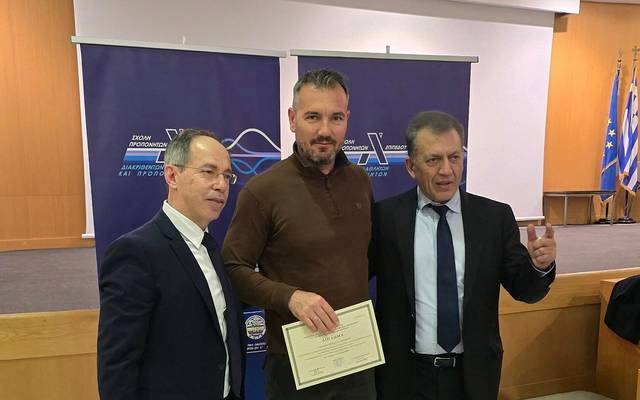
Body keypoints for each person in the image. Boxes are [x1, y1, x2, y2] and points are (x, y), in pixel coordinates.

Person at [371, 111, 556, 400]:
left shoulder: (494, 218)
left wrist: (539, 266)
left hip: (473, 376)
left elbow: (526, 291)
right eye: (433, 160)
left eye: (455, 157)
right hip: (405, 377)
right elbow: (352, 276)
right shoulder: (384, 218)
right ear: (410, 166)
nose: (447, 170)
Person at [222, 69, 376, 399]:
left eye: (336, 118)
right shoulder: (262, 191)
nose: (325, 130)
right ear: (293, 119)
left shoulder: (360, 182)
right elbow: (233, 269)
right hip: (294, 366)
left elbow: (366, 259)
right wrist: (290, 297)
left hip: (357, 359)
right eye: (312, 117)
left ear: (347, 120)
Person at [97, 129, 244, 400]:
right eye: (209, 172)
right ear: (172, 176)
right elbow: (118, 365)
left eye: (227, 176)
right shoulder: (135, 252)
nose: (221, 185)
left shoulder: (211, 247)